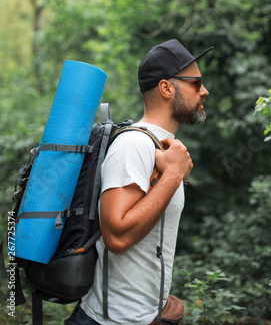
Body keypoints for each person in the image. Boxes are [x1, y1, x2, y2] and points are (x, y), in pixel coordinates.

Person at [65, 39, 213, 325]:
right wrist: (172, 176)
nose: (204, 90)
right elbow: (117, 237)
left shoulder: (160, 147)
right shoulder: (133, 144)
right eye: (196, 83)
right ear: (167, 88)